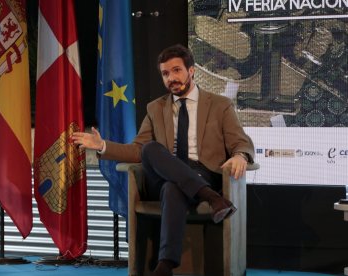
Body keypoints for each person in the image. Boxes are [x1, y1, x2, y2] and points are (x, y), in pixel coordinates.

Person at [72, 44, 254, 276]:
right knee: (150, 149)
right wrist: (102, 146)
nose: (171, 78)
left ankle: (165, 266)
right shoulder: (155, 108)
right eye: (166, 74)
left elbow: (241, 142)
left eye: (177, 70)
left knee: (172, 188)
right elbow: (138, 151)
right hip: (164, 173)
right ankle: (212, 198)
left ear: (192, 71)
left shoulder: (220, 105)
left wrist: (240, 155)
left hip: (202, 173)